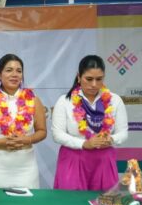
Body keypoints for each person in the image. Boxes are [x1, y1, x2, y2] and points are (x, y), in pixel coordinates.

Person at [52, 55, 128, 190]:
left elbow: (123, 133)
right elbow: (57, 134)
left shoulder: (115, 100)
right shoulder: (65, 101)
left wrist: (110, 139)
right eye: (89, 79)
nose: (94, 84)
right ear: (78, 77)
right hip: (73, 158)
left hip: (103, 159)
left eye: (99, 79)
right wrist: (84, 144)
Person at [0, 54, 47, 189]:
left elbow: (42, 131)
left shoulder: (33, 99)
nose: (15, 74)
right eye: (9, 70)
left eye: (19, 71)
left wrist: (27, 140)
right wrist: (0, 142)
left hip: (26, 168)